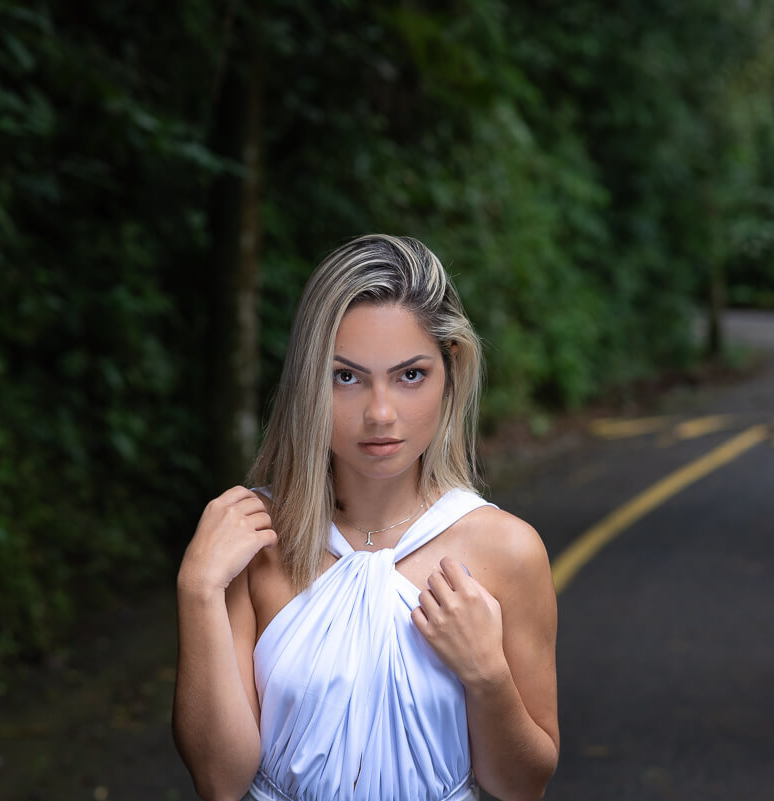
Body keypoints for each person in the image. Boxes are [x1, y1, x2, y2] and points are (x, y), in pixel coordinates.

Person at [173, 234, 559, 801]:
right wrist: (197, 590)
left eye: (410, 375)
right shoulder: (253, 539)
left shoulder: (507, 551)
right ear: (309, 381)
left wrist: (487, 676)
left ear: (451, 371)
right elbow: (219, 782)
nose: (380, 413)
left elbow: (524, 786)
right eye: (347, 377)